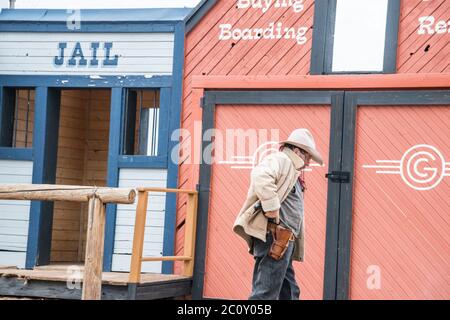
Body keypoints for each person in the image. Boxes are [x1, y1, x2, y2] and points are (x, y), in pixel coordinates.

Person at [233, 128, 323, 300]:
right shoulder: (281, 159)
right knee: (265, 294)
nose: (309, 162)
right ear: (297, 151)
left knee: (289, 292)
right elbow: (260, 176)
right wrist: (272, 209)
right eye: (308, 157)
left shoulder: (290, 167)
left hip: (283, 240)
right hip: (275, 238)